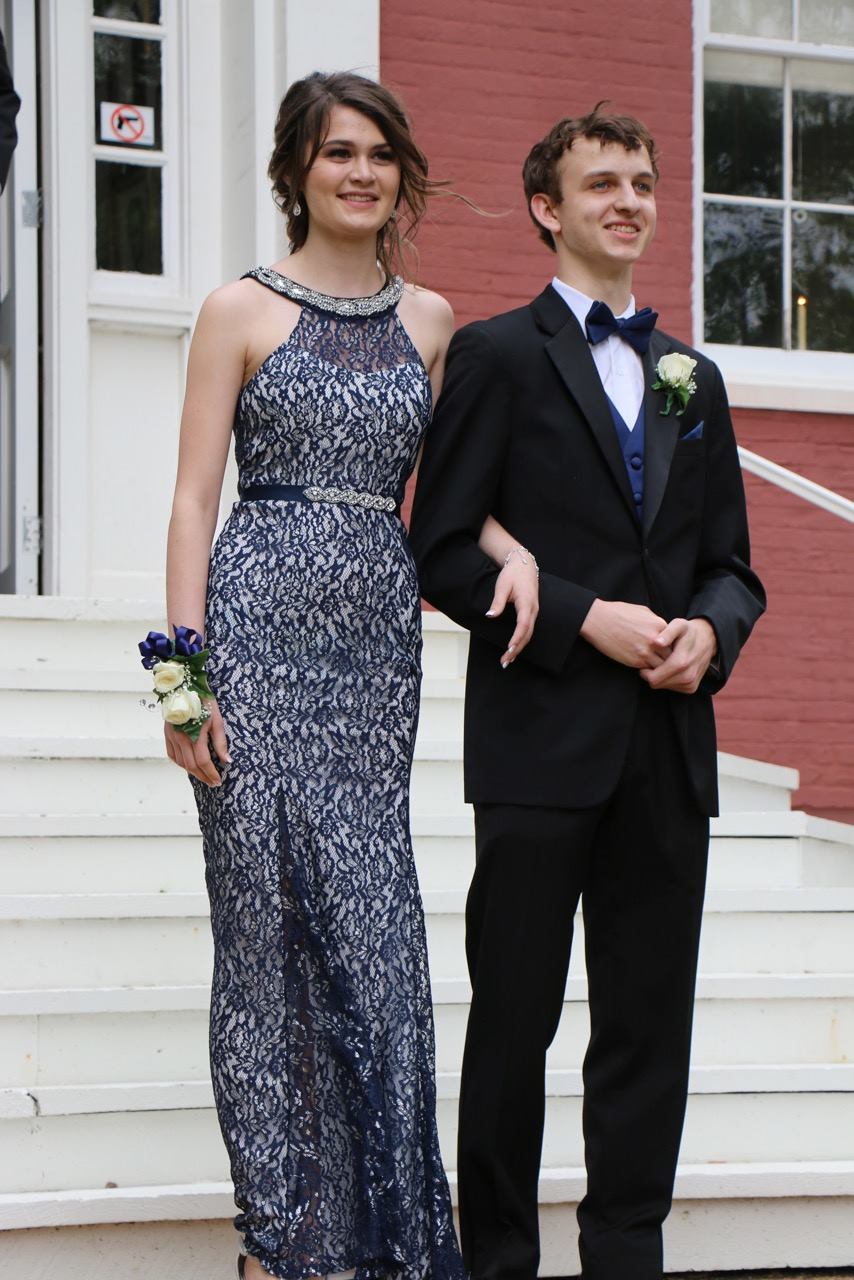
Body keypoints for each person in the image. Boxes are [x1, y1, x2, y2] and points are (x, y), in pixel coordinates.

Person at [163, 71, 536, 1280]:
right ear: (296, 171)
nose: (360, 172)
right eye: (337, 152)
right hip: (252, 633)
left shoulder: (430, 322)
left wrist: (513, 551)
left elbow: (453, 498)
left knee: (374, 940)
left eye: (378, 153)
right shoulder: (235, 309)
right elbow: (192, 500)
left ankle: (384, 1238)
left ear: (400, 173)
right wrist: (182, 681)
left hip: (372, 652)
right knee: (263, 943)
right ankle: (276, 1240)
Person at [409, 105, 766, 1280]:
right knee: (512, 1026)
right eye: (600, 182)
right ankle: (497, 1261)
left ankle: (624, 1257)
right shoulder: (497, 356)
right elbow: (443, 549)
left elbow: (732, 566)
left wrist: (708, 635)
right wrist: (581, 616)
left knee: (645, 1037)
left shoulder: (692, 378)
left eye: (641, 182)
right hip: (537, 743)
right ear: (545, 208)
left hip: (666, 750)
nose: (627, 200)